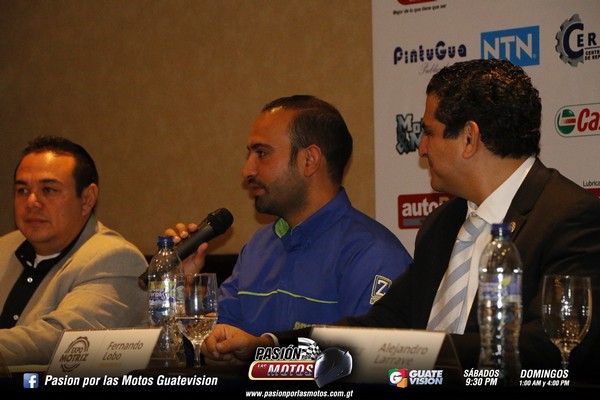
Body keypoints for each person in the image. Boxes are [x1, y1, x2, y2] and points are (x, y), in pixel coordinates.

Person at [201, 60, 600, 382]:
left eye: (429, 132)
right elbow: (380, 326)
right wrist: (269, 347)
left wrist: (422, 352)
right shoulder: (442, 225)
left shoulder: (571, 217)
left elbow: (559, 346)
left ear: (469, 138)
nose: (421, 148)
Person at [168, 95, 413, 336]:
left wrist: (264, 351)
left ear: (309, 160)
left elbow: (366, 354)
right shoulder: (258, 247)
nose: (247, 170)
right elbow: (217, 336)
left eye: (261, 153)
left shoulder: (372, 254)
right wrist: (184, 290)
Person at [0, 136, 148, 365]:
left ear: (87, 199)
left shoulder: (115, 258)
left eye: (48, 190)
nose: (31, 202)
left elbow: (64, 342)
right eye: (22, 190)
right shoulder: (4, 248)